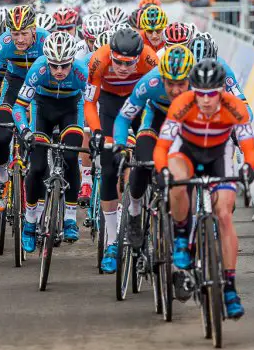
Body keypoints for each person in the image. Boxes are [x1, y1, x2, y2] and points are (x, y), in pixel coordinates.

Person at [154, 59, 254, 319]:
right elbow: (163, 147)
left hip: (219, 155)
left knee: (224, 215)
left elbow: (249, 149)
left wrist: (248, 167)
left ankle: (230, 288)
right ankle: (181, 236)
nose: (206, 100)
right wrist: (162, 170)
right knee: (176, 181)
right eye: (200, 94)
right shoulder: (182, 104)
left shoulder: (236, 108)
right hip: (187, 153)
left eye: (211, 94)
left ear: (222, 91)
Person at [84, 25, 158, 273]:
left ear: (139, 57)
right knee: (108, 169)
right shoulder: (98, 60)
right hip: (111, 104)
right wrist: (95, 132)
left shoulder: (150, 59)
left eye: (129, 64)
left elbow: (158, 99)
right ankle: (113, 242)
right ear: (110, 54)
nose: (123, 69)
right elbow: (89, 102)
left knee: (149, 159)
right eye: (118, 63)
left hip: (142, 102)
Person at [113, 45, 195, 248]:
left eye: (180, 84)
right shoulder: (150, 82)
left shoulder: (201, 87)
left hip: (186, 124)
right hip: (155, 120)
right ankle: (134, 213)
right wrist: (120, 146)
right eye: (170, 83)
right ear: (162, 78)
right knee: (142, 163)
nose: (175, 90)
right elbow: (124, 118)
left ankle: (182, 238)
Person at [13, 31, 88, 251]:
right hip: (42, 110)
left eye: (64, 66)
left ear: (72, 61)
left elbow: (92, 103)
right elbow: (19, 106)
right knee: (36, 168)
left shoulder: (81, 72)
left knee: (72, 157)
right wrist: (25, 130)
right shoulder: (38, 69)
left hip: (71, 110)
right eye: (54, 65)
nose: (59, 71)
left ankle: (70, 218)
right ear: (47, 61)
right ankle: (29, 221)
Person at [0, 5, 47, 212]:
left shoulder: (46, 40)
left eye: (24, 33)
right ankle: (1, 179)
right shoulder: (4, 43)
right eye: (15, 33)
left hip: (40, 87)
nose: (20, 39)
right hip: (14, 84)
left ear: (34, 29)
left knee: (37, 137)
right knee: (2, 134)